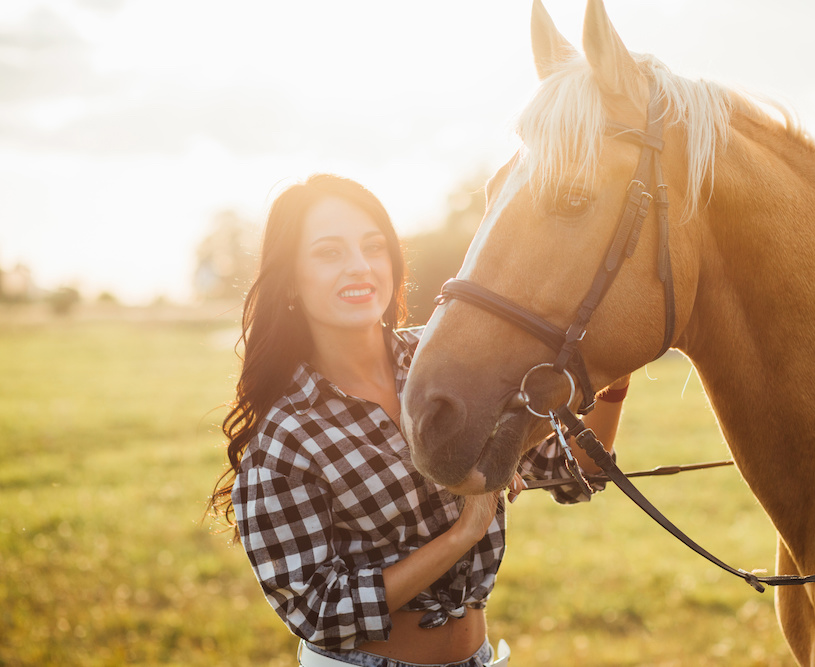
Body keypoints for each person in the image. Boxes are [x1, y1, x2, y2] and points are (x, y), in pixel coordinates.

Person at [207, 174, 631, 667]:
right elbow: (321, 612)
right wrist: (463, 532)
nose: (360, 267)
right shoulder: (284, 436)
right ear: (290, 282)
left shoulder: (453, 366)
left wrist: (615, 374)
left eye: (373, 247)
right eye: (329, 253)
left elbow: (575, 475)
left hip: (480, 657)